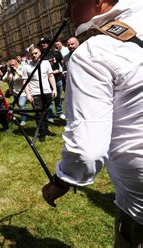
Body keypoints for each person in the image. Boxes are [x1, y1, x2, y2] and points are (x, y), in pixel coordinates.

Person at [42, 0, 143, 247]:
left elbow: (86, 152)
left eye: (70, 3)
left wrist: (60, 182)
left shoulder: (93, 53)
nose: (66, 13)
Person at [24, 47, 57, 142]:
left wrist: (54, 89)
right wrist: (28, 94)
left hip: (47, 91)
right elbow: (25, 81)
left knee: (45, 112)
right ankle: (42, 132)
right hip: (35, 93)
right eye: (32, 54)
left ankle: (46, 130)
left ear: (40, 54)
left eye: (35, 53)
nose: (34, 55)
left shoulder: (46, 63)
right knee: (39, 113)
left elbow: (50, 76)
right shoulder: (27, 66)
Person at [38, 38, 65, 120]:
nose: (43, 44)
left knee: (58, 97)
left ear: (49, 43)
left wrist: (60, 70)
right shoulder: (40, 56)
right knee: (48, 98)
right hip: (46, 80)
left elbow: (63, 64)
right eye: (41, 43)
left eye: (45, 42)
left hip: (57, 78)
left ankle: (59, 112)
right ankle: (50, 114)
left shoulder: (56, 52)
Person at [3, 59, 28, 126]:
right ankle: (25, 114)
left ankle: (23, 120)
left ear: (17, 64)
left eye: (13, 65)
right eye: (11, 65)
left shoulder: (21, 69)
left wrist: (16, 70)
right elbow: (4, 79)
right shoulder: (9, 72)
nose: (12, 66)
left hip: (22, 91)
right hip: (14, 92)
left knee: (22, 104)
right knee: (20, 105)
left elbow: (23, 76)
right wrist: (8, 72)